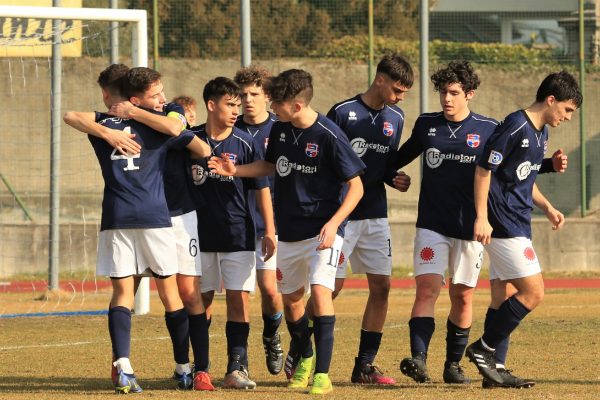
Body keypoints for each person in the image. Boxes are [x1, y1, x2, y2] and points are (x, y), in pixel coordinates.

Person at [208, 69, 366, 395]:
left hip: (324, 232)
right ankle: (305, 355)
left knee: (320, 293)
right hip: (288, 232)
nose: (271, 107)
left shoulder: (330, 136)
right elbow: (269, 166)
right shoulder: (280, 130)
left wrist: (335, 223)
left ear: (295, 105)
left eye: (276, 102)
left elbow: (356, 187)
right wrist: (234, 170)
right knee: (292, 300)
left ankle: (322, 374)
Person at [62, 65, 212, 394]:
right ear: (135, 98)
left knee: (122, 294)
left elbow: (70, 115)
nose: (162, 99)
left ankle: (124, 367)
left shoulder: (104, 121)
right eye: (155, 95)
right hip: (155, 218)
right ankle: (183, 367)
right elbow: (201, 148)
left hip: (115, 218)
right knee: (170, 293)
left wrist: (109, 131)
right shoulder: (159, 127)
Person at [466, 70, 582, 387]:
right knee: (533, 293)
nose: (568, 117)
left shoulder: (541, 133)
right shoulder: (515, 125)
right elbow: (484, 169)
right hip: (503, 223)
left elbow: (521, 175)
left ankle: (495, 370)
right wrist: (481, 217)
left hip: (519, 219)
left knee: (502, 294)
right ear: (551, 99)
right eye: (568, 109)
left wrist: (548, 205)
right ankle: (484, 349)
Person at [390, 61, 498, 385]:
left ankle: (453, 366)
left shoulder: (488, 128)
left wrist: (485, 217)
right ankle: (419, 360)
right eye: (442, 92)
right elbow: (399, 156)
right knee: (427, 288)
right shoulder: (427, 125)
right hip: (431, 225)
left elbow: (507, 168)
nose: (446, 99)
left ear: (470, 94)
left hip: (469, 228)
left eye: (454, 93)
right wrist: (386, 175)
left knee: (462, 296)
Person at [109, 70, 213, 391]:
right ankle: (121, 365)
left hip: (180, 217)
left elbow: (194, 142)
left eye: (162, 93)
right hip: (141, 219)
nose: (164, 99)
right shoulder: (122, 128)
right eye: (157, 94)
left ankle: (200, 369)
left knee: (187, 293)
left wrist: (136, 112)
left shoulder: (172, 113)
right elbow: (77, 118)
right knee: (128, 289)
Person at [317, 53, 413, 385]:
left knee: (382, 287)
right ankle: (302, 352)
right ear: (380, 80)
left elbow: (382, 164)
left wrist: (394, 178)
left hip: (375, 213)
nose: (400, 98)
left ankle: (364, 366)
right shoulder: (343, 113)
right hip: (342, 216)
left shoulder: (396, 118)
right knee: (330, 288)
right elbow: (328, 163)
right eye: (397, 90)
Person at [188, 77, 275, 390]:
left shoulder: (245, 143)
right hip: (198, 236)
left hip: (239, 234)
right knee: (202, 301)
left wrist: (270, 231)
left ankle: (236, 368)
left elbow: (262, 188)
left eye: (239, 105)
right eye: (230, 104)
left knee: (239, 300)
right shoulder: (191, 141)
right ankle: (200, 369)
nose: (236, 110)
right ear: (212, 105)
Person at [233, 65, 285, 375]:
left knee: (269, 288)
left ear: (266, 95)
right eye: (242, 95)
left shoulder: (281, 129)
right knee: (240, 292)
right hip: (239, 222)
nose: (248, 100)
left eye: (254, 94)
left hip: (272, 222)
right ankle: (239, 359)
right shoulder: (232, 128)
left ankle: (272, 337)